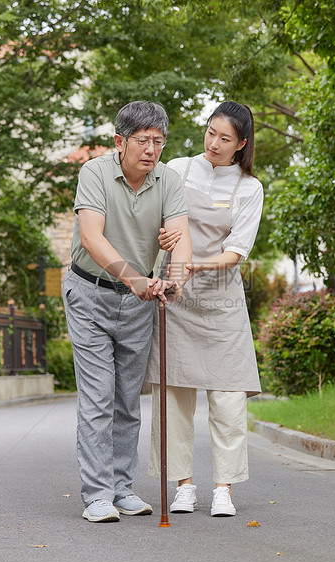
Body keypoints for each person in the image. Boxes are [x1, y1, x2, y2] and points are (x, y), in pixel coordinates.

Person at [62, 101, 192, 523]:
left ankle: (121, 488)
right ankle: (97, 494)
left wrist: (176, 280)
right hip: (90, 293)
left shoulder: (169, 180)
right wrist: (134, 277)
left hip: (140, 302)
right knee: (98, 395)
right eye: (143, 140)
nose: (151, 149)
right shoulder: (95, 173)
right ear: (120, 141)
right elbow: (91, 236)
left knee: (127, 399)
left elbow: (181, 239)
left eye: (158, 141)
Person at [146, 101, 263, 517]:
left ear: (241, 144)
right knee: (173, 397)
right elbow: (155, 218)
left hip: (221, 301)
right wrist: (162, 240)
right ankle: (183, 486)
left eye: (225, 138)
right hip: (175, 297)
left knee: (229, 399)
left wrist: (196, 264)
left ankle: (223, 489)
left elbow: (235, 254)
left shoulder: (249, 188)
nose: (214, 143)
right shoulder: (176, 168)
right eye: (210, 132)